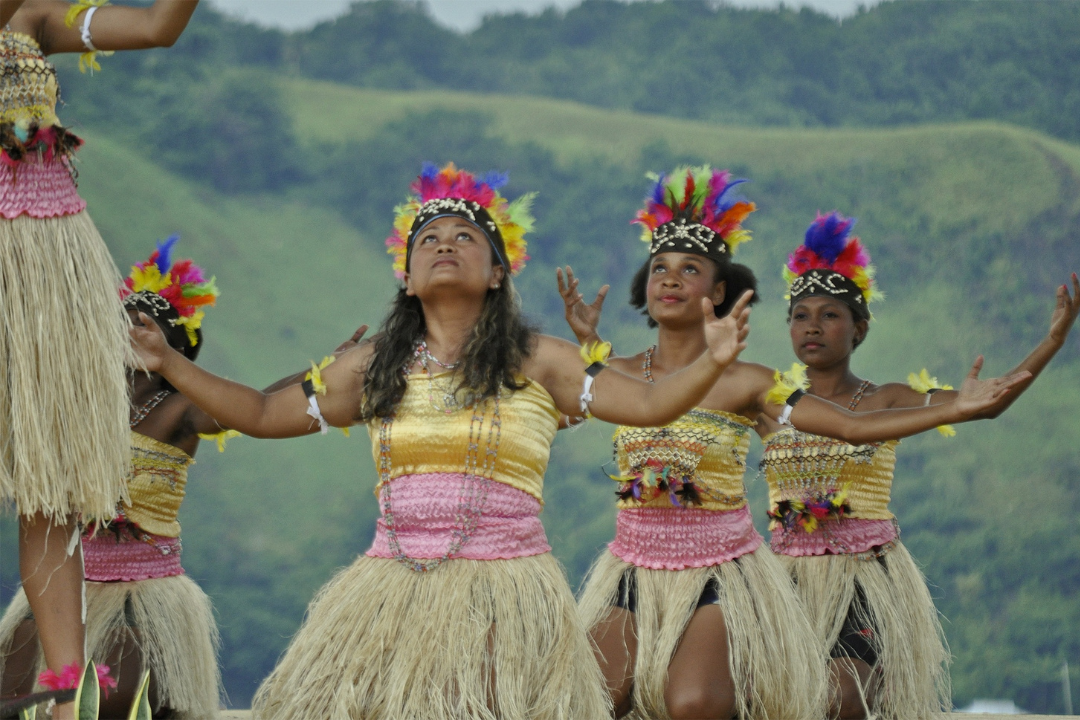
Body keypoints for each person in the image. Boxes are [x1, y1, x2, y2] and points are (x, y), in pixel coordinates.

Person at [128, 163, 756, 719]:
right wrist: (170, 363)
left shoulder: (541, 359)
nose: (444, 244)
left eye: (464, 238)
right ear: (407, 278)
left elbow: (647, 405)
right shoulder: (374, 365)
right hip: (388, 590)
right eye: (427, 238)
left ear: (496, 274)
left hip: (504, 596)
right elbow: (264, 413)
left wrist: (711, 363)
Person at [558, 168, 1033, 720]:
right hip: (634, 565)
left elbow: (849, 427)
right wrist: (586, 346)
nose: (670, 278)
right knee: (590, 698)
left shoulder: (750, 381)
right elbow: (560, 402)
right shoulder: (613, 372)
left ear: (717, 293)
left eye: (690, 269)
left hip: (719, 569)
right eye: (660, 267)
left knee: (698, 704)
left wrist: (957, 405)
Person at [755, 211, 1080, 719]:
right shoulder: (768, 400)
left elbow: (987, 402)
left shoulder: (888, 400)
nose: (812, 325)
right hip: (782, 581)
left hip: (863, 580)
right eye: (800, 314)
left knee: (837, 703)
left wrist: (1052, 343)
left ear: (859, 328)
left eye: (830, 315)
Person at [0, 3, 199, 716]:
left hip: (50, 265)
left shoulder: (38, 18)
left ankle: (63, 692)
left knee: (47, 487)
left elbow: (156, 29)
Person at [0, 236, 225, 718]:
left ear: (173, 346)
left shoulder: (181, 409)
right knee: (14, 691)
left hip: (145, 597)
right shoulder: (80, 411)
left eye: (145, 323)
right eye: (120, 318)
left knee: (119, 699)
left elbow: (252, 409)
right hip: (69, 586)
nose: (127, 329)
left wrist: (315, 382)